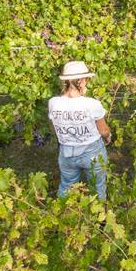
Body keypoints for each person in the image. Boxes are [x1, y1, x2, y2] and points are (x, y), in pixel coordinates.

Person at [48, 61, 110, 200]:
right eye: (86, 80)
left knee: (67, 186)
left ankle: (64, 215)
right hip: (92, 153)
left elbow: (54, 127)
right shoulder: (92, 104)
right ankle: (98, 220)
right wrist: (108, 137)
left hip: (66, 153)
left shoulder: (53, 102)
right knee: (97, 187)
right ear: (81, 81)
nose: (86, 83)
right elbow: (104, 131)